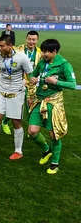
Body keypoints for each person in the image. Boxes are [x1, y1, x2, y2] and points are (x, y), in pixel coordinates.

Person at [28, 39, 76, 174]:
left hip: (53, 103)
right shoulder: (42, 62)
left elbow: (72, 84)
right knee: (32, 131)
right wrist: (32, 78)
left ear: (54, 52)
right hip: (39, 100)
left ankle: (55, 163)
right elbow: (33, 74)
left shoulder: (64, 65)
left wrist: (57, 81)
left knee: (54, 135)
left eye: (46, 52)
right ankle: (46, 149)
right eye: (42, 51)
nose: (43, 54)